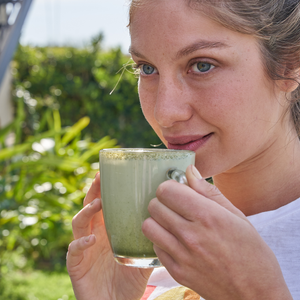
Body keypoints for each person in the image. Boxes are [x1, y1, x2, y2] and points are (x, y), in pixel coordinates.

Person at [66, 0, 300, 299]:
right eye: (147, 68)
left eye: (202, 65)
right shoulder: (147, 252)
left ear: (290, 65)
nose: (165, 112)